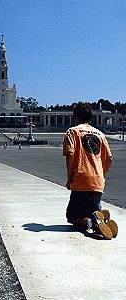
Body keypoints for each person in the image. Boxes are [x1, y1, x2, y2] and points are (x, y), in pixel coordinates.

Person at [63, 102, 118, 240]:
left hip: (81, 179)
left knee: (72, 216)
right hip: (98, 182)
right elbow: (109, 159)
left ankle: (91, 222)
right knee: (91, 208)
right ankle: (99, 216)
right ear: (90, 118)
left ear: (76, 117)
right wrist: (102, 176)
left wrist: (70, 178)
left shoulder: (72, 131)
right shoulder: (100, 134)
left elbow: (70, 154)